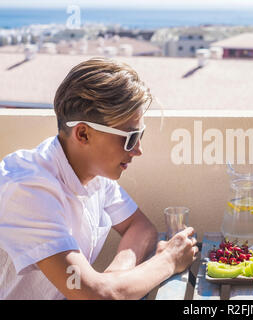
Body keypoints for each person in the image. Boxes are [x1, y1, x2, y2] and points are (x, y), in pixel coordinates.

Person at [0, 57, 198, 299]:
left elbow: (140, 227)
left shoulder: (92, 172)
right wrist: (167, 260)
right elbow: (98, 296)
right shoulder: (29, 190)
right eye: (130, 137)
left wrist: (114, 277)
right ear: (83, 133)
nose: (138, 150)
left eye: (140, 135)